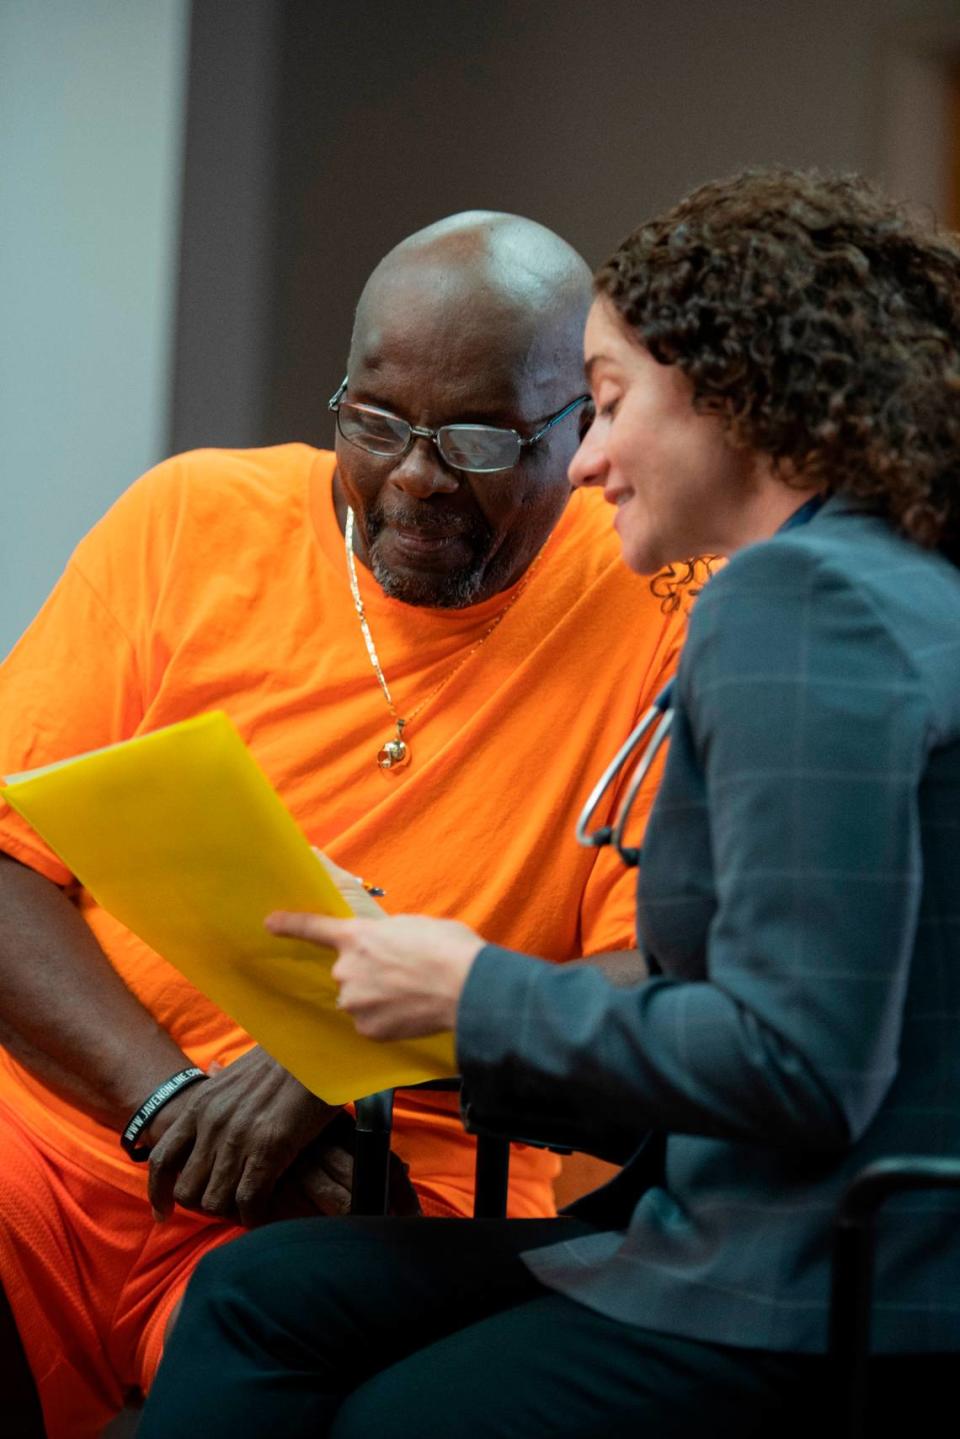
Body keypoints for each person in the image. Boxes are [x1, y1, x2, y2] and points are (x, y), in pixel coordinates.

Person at [139, 168, 960, 1438]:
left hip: (808, 1279)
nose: (586, 460)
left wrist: (467, 991)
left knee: (371, 1408)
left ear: (732, 397)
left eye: (612, 404)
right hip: (774, 1227)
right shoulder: (885, 586)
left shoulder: (802, 608)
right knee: (261, 1295)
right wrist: (428, 1007)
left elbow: (796, 1061)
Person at [0, 212, 691, 1437]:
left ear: (580, 421)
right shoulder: (190, 519)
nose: (416, 477)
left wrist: (349, 1041)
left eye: (476, 436)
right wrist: (163, 1105)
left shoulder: (663, 601)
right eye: (374, 421)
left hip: (372, 1186)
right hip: (61, 1134)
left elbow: (654, 987)